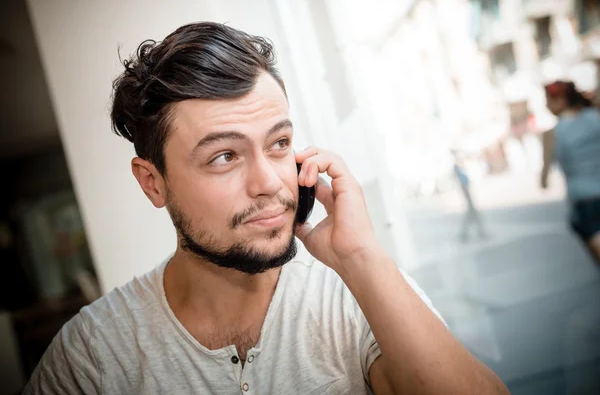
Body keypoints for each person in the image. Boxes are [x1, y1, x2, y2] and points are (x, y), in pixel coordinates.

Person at [24, 22, 508, 394]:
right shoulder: (92, 355)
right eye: (224, 156)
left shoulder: (352, 294)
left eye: (279, 143)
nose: (270, 182)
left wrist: (360, 260)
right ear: (153, 183)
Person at [541, 80, 600, 266]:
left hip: (584, 202)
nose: (546, 106)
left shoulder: (552, 134)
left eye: (549, 100)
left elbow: (544, 178)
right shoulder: (595, 116)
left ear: (560, 101)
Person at [452, 151, 487, 242]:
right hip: (466, 192)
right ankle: (474, 233)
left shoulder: (460, 166)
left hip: (467, 191)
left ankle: (472, 233)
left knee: (472, 214)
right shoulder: (456, 167)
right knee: (472, 214)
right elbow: (461, 181)